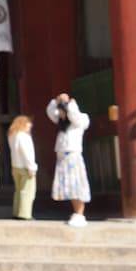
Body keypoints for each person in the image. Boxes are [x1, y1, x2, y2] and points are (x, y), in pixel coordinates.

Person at [47, 93, 91, 227]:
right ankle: (76, 212)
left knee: (76, 184)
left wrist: (69, 103)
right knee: (69, 186)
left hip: (73, 155)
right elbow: (50, 112)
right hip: (62, 156)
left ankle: (80, 213)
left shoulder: (82, 119)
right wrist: (57, 101)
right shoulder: (63, 124)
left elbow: (74, 115)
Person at [8, 114, 39, 221]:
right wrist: (31, 167)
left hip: (15, 166)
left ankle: (16, 211)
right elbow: (27, 153)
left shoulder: (12, 135)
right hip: (25, 167)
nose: (30, 126)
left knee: (18, 191)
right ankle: (25, 214)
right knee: (27, 191)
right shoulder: (23, 136)